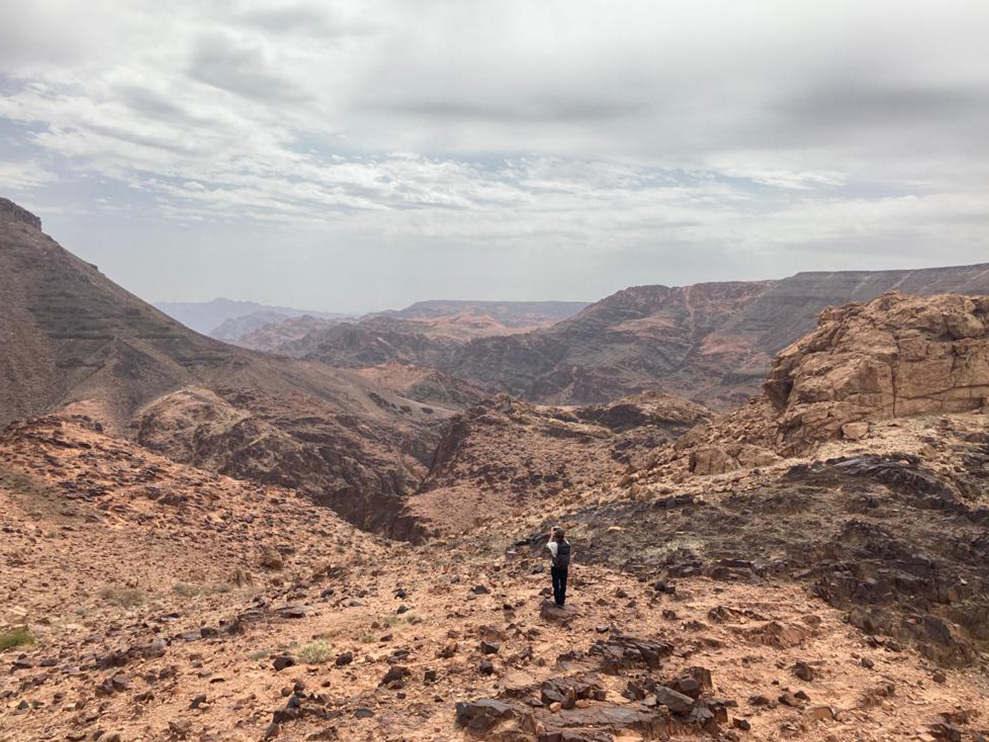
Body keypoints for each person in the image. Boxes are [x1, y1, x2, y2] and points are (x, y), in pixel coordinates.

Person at [546, 527, 572, 607]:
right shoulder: (567, 545)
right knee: (563, 583)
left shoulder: (554, 545)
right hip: (564, 567)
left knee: (556, 583)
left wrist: (551, 535)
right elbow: (565, 540)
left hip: (555, 567)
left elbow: (547, 545)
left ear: (556, 536)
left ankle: (558, 601)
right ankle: (562, 600)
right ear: (563, 536)